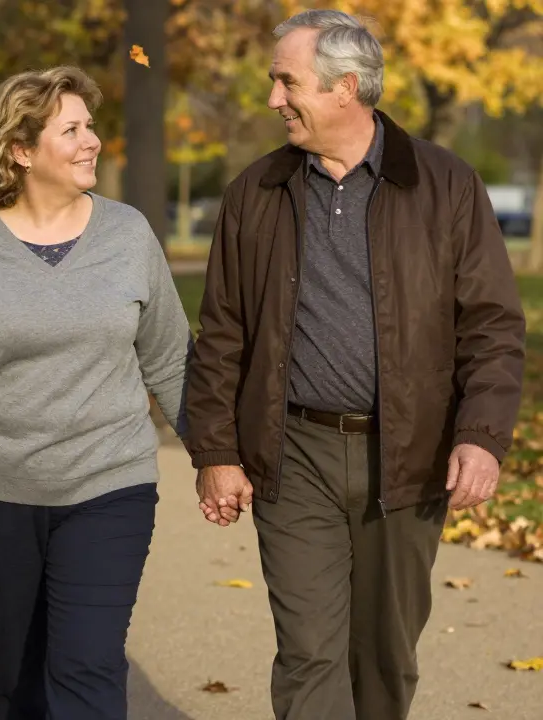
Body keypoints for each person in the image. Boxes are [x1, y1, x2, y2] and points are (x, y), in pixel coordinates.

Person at [185, 10, 526, 720]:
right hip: (293, 453)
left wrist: (481, 435)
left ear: (346, 87)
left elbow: (492, 327)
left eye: (287, 81)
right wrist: (216, 451)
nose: (274, 98)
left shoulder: (447, 185)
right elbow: (222, 333)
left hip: (408, 455)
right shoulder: (257, 192)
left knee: (384, 657)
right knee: (309, 652)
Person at [0, 65, 192, 719]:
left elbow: (170, 361)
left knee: (87, 665)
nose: (93, 142)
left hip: (109, 486)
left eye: (92, 126)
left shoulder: (129, 235)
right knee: (17, 673)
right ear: (21, 150)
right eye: (73, 129)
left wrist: (219, 457)